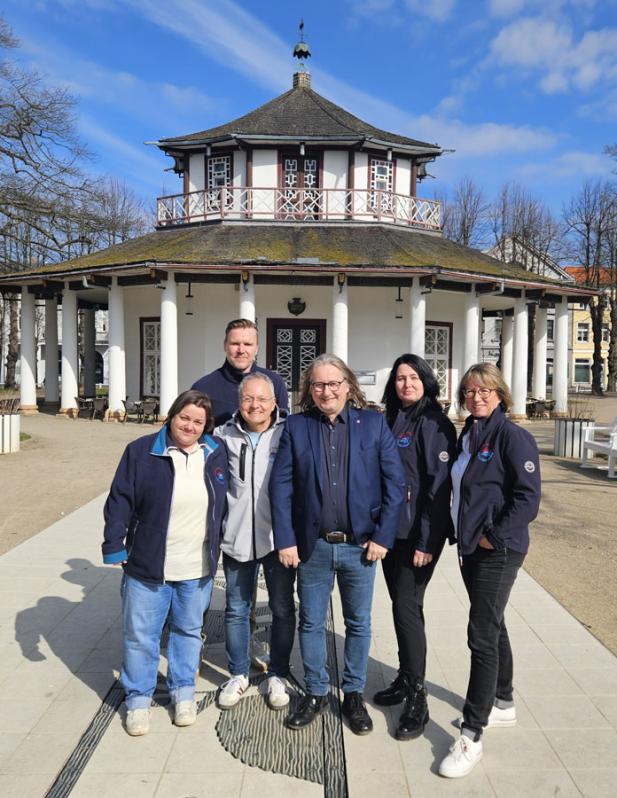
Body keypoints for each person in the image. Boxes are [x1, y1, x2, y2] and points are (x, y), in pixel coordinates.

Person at [270, 354, 405, 735]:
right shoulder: (296, 427)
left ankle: (352, 694)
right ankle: (315, 692)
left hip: (360, 548)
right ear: (309, 391)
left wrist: (383, 536)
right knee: (311, 621)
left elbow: (395, 485)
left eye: (333, 383)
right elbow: (281, 487)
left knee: (358, 623)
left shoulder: (374, 425)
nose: (326, 391)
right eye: (318, 385)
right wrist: (286, 539)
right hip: (311, 546)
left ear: (348, 386)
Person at [102, 389, 228, 737]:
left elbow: (226, 502)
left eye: (198, 421)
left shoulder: (215, 454)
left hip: (197, 566)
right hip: (148, 563)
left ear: (207, 427)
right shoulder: (142, 451)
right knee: (142, 636)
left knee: (188, 632)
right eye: (184, 417)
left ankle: (182, 692)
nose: (189, 426)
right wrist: (114, 544)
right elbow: (120, 500)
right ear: (172, 415)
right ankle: (138, 700)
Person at [438, 363, 541, 778]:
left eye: (485, 390)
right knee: (494, 625)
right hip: (472, 549)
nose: (476, 397)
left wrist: (492, 537)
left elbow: (527, 498)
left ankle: (471, 732)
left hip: (498, 550)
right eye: (469, 391)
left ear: (500, 394)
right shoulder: (470, 434)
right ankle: (503, 702)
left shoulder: (513, 437)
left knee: (480, 633)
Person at [375, 354, 457, 740]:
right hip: (391, 533)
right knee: (403, 607)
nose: (406, 384)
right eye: (400, 378)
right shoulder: (391, 418)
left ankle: (418, 698)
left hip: (417, 537)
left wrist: (427, 541)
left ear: (426, 380)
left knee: (407, 608)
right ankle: (406, 678)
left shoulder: (433, 423)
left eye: (413, 377)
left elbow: (438, 491)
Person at [214, 373, 296, 711]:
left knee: (281, 608)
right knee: (235, 608)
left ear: (274, 401)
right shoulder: (223, 435)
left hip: (278, 538)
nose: (255, 405)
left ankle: (278, 672)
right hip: (236, 537)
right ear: (239, 401)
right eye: (248, 398)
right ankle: (237, 672)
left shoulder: (288, 432)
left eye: (262, 399)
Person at [191, 318, 288, 426]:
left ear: (256, 348)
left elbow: (283, 427)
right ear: (225, 345)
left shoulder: (275, 383)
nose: (241, 350)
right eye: (235, 343)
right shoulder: (203, 388)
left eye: (247, 344)